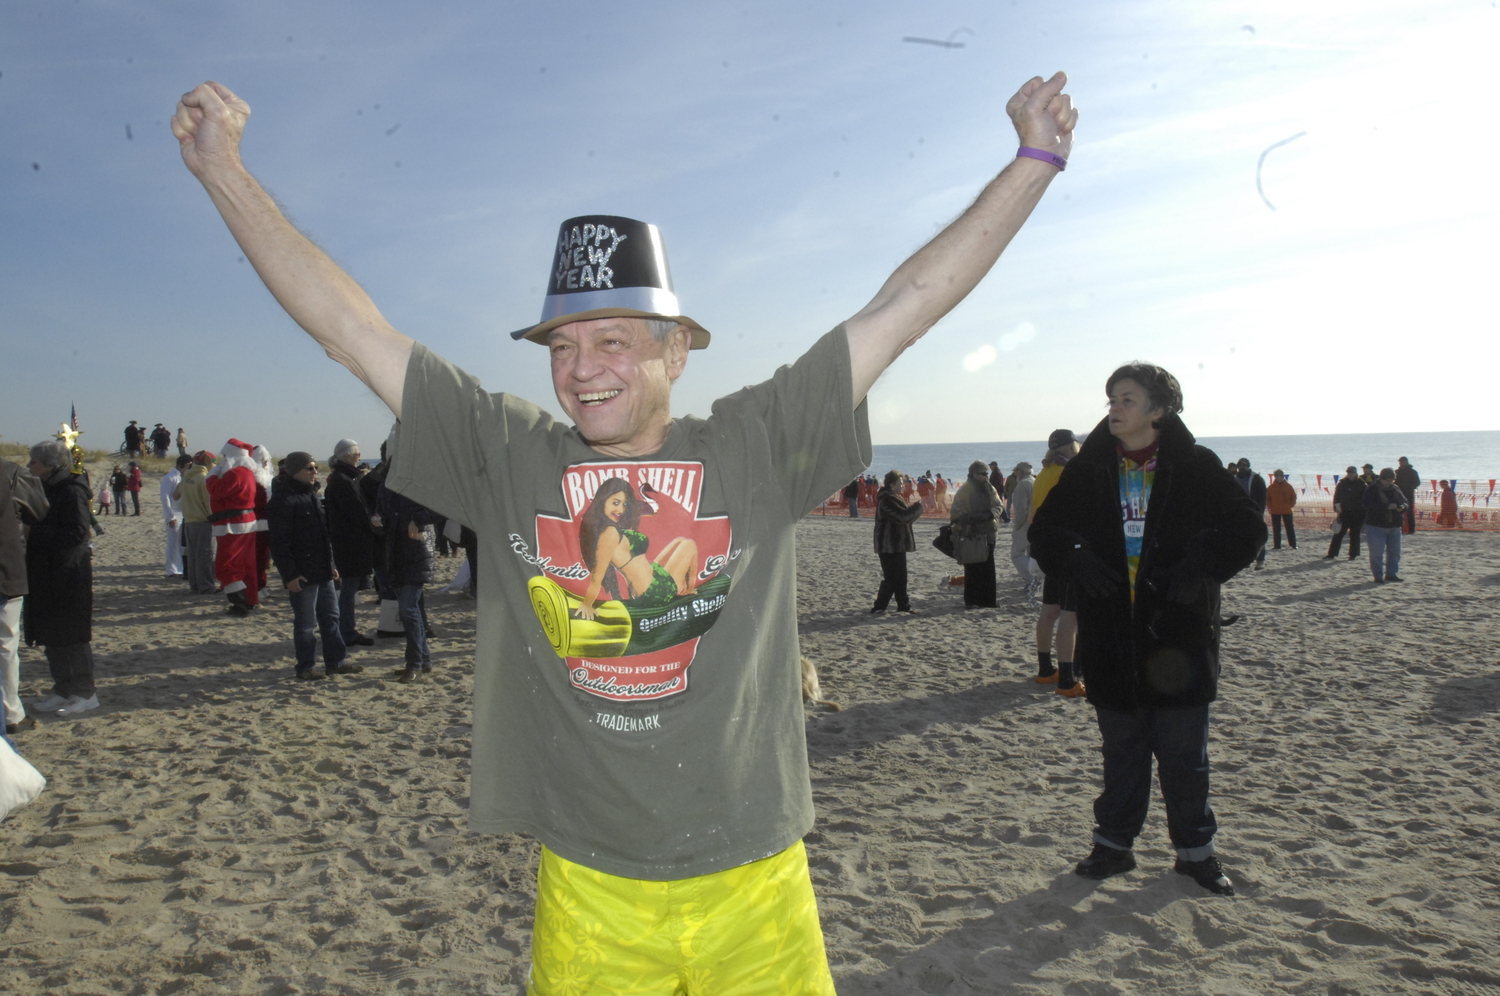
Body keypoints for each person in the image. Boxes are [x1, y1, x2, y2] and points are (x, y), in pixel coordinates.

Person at [173, 68, 1076, 988]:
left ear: (675, 349)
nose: (581, 368)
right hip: (588, 882)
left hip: (755, 873)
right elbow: (349, 329)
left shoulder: (756, 444)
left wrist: (1034, 162)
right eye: (563, 345)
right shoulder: (506, 452)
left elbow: (906, 306)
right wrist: (223, 172)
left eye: (614, 340)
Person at [1030, 364, 1265, 897]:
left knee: (1185, 758)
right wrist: (1075, 557)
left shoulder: (1195, 465)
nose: (1114, 407)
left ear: (1158, 410)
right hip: (1111, 637)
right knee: (1123, 754)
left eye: (1128, 399)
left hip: (1178, 637)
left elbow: (1248, 526)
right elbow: (1045, 529)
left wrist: (1201, 564)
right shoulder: (1089, 469)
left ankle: (1196, 855)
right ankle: (1113, 847)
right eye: (1112, 398)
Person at [267, 452, 360, 680]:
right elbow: (279, 543)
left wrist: (331, 565)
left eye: (315, 467)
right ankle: (306, 666)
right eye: (309, 468)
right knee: (306, 623)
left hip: (322, 570)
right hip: (302, 574)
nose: (314, 471)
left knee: (331, 618)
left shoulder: (312, 495)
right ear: (296, 470)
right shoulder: (282, 500)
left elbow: (322, 536)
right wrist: (290, 575)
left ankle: (336, 661)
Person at [24, 441, 100, 716]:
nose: (30, 466)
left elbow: (79, 532)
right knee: (50, 632)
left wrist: (35, 533)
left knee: (72, 635)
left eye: (35, 462)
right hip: (45, 572)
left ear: (50, 465)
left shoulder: (71, 490)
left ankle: (84, 692)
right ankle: (63, 688)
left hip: (68, 572)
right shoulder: (43, 488)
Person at [1031, 429, 1083, 695]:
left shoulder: (1042, 475)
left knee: (1049, 610)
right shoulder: (1068, 473)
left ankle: (1045, 669)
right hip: (1065, 550)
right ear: (1071, 446)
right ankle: (1067, 678)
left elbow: (1032, 515)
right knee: (1069, 615)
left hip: (1046, 550)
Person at [3, 459, 48, 735]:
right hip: (4, 568)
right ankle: (10, 712)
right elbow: (38, 509)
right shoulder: (10, 472)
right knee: (5, 645)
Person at [379, 483, 437, 682]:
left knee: (408, 608)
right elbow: (383, 514)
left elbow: (439, 507)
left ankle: (414, 663)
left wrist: (418, 520)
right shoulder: (386, 483)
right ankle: (423, 660)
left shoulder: (418, 477)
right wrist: (378, 522)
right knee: (415, 610)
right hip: (396, 554)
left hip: (417, 550)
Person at [206, 438, 271, 616]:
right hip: (244, 522)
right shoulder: (248, 473)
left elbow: (216, 490)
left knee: (228, 565)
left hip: (232, 525)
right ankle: (250, 600)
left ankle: (239, 604)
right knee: (247, 564)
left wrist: (212, 474)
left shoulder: (236, 474)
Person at [323, 438, 377, 647]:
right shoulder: (342, 481)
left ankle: (346, 629)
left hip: (349, 542)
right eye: (357, 455)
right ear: (347, 457)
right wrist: (373, 521)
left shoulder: (343, 479)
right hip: (349, 544)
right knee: (348, 589)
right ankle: (346, 631)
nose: (359, 459)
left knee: (349, 588)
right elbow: (355, 512)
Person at [950, 460, 1003, 608]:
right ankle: (972, 601)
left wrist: (989, 514)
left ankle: (989, 601)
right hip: (971, 535)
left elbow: (999, 505)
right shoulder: (964, 490)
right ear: (974, 474)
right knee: (973, 569)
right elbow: (956, 512)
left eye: (987, 473)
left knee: (988, 568)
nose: (986, 476)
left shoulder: (989, 488)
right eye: (983, 473)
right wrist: (969, 518)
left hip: (989, 533)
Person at [871, 469, 924, 613]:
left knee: (901, 577)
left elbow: (905, 518)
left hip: (897, 544)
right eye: (900, 483)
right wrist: (918, 507)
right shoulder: (886, 500)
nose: (903, 486)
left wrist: (916, 510)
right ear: (892, 484)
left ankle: (903, 605)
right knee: (891, 578)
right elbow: (902, 517)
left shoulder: (894, 498)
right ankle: (879, 607)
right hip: (888, 545)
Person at [175, 450, 218, 594]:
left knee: (193, 555)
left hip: (188, 521)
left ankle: (195, 585)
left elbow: (175, 495)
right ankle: (206, 586)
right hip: (202, 521)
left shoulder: (187, 476)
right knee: (205, 555)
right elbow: (208, 502)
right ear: (207, 463)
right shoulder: (203, 478)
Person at [1363, 468, 1407, 583]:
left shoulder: (1396, 489)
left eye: (1392, 480)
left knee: (1395, 552)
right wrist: (1386, 507)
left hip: (1395, 525)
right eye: (1387, 480)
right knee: (1376, 553)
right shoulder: (1372, 489)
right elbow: (1366, 506)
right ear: (1381, 479)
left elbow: (1405, 502)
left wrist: (1402, 507)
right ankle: (1378, 576)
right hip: (1376, 526)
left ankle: (1391, 574)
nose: (1390, 482)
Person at [1232, 458, 1268, 569]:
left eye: (1244, 466)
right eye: (1240, 466)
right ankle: (1246, 561)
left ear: (1248, 466)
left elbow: (1263, 497)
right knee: (1242, 537)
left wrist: (1260, 512)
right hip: (1240, 511)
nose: (1242, 468)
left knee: (1258, 536)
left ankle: (1260, 561)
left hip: (1255, 511)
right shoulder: (1234, 479)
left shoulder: (1256, 479)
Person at [1325, 466, 1366, 560]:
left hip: (1357, 513)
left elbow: (1365, 499)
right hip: (1344, 512)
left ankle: (1353, 554)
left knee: (1355, 534)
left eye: (1352, 473)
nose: (1350, 474)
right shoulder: (1342, 483)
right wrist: (1336, 507)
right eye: (1349, 473)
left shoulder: (1362, 484)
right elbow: (1337, 496)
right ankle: (1332, 554)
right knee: (1338, 533)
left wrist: (1364, 513)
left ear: (1356, 473)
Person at [1008, 461, 1036, 585]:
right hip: (1035, 522)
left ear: (1021, 471)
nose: (1015, 474)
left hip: (1025, 522)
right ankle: (1036, 579)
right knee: (1031, 554)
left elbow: (1021, 509)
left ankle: (1031, 580)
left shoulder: (1022, 484)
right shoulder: (1035, 481)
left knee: (1017, 554)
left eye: (1016, 471)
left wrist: (1017, 525)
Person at [161, 455, 189, 578]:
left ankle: (181, 567)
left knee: (182, 543)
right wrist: (170, 515)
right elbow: (165, 497)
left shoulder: (185, 477)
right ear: (181, 465)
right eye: (188, 466)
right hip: (174, 512)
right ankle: (171, 569)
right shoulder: (170, 478)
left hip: (185, 513)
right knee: (173, 542)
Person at [1266, 469, 1297, 551]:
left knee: (1289, 528)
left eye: (1283, 475)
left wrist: (1291, 505)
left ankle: (1293, 545)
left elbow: (1293, 496)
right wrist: (1270, 506)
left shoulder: (1288, 486)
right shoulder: (1271, 487)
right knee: (1276, 529)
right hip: (1275, 510)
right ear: (1276, 477)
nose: (1283, 477)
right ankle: (1277, 545)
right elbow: (1267, 499)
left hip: (1287, 510)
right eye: (1281, 475)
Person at [1395, 456, 1420, 534]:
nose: (1401, 463)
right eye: (1400, 462)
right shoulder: (1397, 472)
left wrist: (1409, 488)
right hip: (1398, 494)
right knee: (1398, 511)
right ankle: (1399, 528)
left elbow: (1417, 482)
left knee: (1409, 511)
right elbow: (1394, 482)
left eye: (1403, 461)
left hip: (1409, 494)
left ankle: (1411, 529)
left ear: (1406, 462)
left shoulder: (1412, 472)